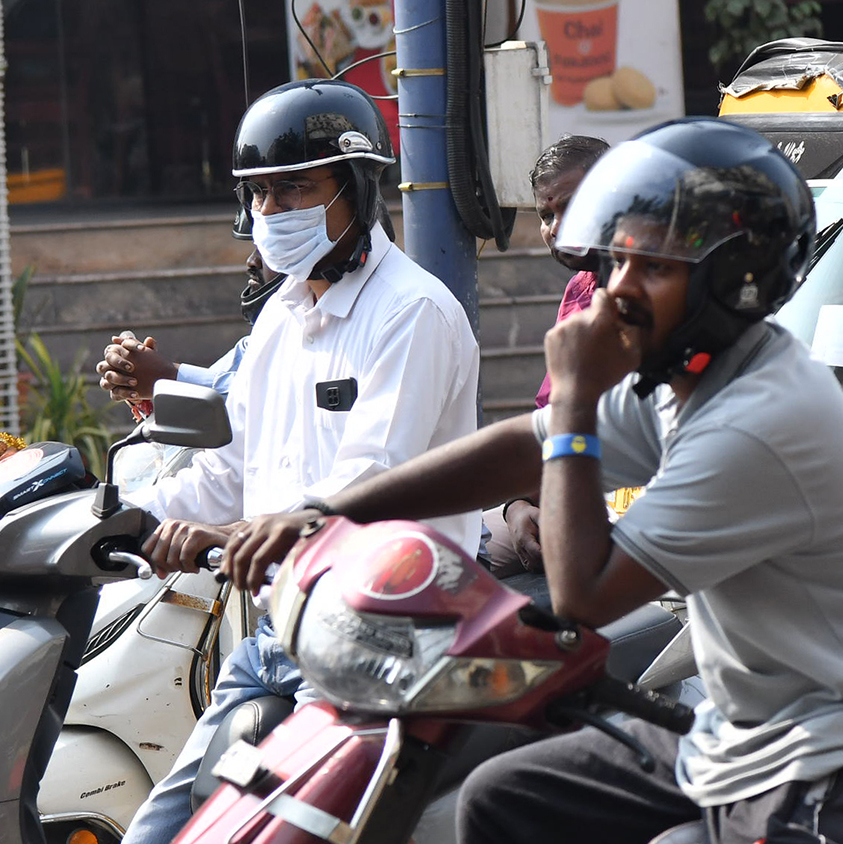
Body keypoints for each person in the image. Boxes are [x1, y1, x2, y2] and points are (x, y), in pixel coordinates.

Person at [226, 118, 843, 844]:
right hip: (744, 731)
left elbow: (585, 593)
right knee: (504, 801)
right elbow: (520, 448)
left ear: (731, 281)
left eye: (652, 267)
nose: (617, 288)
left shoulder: (760, 420)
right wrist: (323, 513)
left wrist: (578, 397)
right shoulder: (689, 379)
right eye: (617, 260)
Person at [118, 78, 480, 844]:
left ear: (355, 188)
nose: (270, 214)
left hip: (385, 644)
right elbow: (231, 467)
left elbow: (369, 487)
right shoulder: (283, 316)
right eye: (259, 197)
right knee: (164, 828)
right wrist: (129, 521)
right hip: (282, 633)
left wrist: (231, 538)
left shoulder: (411, 313)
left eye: (294, 190)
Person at [485, 134, 609, 579]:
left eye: (574, 206)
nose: (557, 228)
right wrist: (515, 504)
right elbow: (549, 420)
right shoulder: (579, 288)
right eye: (546, 214)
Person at [96, 212, 284, 405]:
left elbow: (275, 401)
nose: (252, 261)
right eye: (256, 247)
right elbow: (216, 386)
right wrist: (139, 381)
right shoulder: (266, 334)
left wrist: (167, 378)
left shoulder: (309, 328)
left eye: (268, 246)